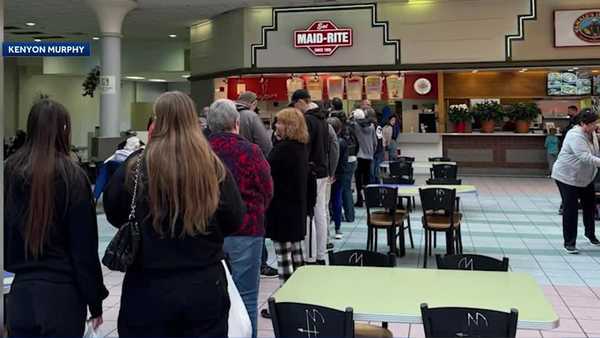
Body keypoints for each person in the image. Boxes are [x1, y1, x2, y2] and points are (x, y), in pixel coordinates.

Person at [103, 91, 245, 336]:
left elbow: (114, 212)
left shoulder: (136, 166)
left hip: (147, 285)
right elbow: (234, 217)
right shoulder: (212, 167)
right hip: (203, 282)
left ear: (157, 123)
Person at [5, 99, 108, 336]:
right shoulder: (74, 177)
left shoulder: (10, 172)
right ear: (64, 130)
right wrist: (95, 300)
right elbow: (84, 249)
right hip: (63, 296)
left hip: (20, 293)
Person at [207, 99, 273, 338]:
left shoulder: (201, 151)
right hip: (247, 229)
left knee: (211, 297)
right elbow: (267, 188)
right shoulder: (250, 151)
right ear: (236, 123)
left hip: (208, 232)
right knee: (246, 295)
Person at [235, 91, 278, 277]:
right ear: (253, 103)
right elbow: (266, 145)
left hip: (225, 173)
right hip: (249, 171)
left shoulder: (228, 113)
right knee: (255, 213)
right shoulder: (251, 117)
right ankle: (261, 262)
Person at [265, 107, 309, 281]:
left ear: (289, 126)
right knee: (298, 256)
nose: (276, 125)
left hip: (281, 209)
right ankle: (301, 293)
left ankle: (285, 301)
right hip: (297, 208)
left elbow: (268, 174)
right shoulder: (301, 148)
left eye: (281, 122)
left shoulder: (281, 150)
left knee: (284, 260)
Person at [552, 109, 600, 254]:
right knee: (571, 209)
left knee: (590, 206)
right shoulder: (575, 135)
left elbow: (595, 153)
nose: (595, 126)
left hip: (585, 178)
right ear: (582, 123)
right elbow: (585, 156)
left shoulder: (591, 134)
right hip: (567, 177)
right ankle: (569, 242)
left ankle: (590, 235)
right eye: (592, 124)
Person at [299, 97, 330, 265]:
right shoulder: (324, 121)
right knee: (321, 213)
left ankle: (310, 256)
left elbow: (306, 147)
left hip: (311, 172)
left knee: (309, 213)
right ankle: (321, 254)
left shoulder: (308, 121)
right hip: (323, 171)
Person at [328, 117, 349, 239]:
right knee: (337, 200)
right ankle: (338, 228)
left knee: (325, 203)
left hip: (327, 175)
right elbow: (344, 162)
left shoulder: (324, 141)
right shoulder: (342, 142)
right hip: (339, 175)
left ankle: (326, 228)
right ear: (339, 129)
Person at [351, 109, 377, 207]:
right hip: (369, 156)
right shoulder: (372, 126)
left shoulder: (356, 126)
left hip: (359, 156)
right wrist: (371, 152)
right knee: (367, 179)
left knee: (358, 179)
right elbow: (375, 142)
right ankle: (369, 199)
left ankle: (359, 200)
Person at [558, 105, 581, 215]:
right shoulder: (575, 133)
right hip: (567, 171)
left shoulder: (576, 127)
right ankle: (566, 206)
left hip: (572, 171)